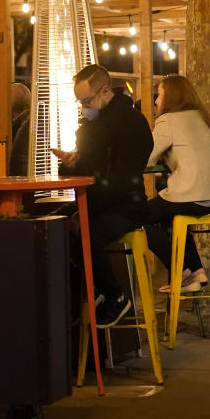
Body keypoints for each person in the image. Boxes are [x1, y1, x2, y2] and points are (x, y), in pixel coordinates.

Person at [53, 64, 153, 328]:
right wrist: (72, 163)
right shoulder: (93, 126)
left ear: (105, 91)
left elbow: (121, 178)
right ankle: (86, 291)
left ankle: (114, 296)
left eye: (86, 100)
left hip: (125, 206)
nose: (83, 107)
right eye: (80, 102)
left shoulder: (130, 124)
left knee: (86, 234)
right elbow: (91, 168)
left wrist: (85, 209)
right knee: (51, 226)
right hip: (99, 201)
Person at [145, 76, 210, 293]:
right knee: (170, 214)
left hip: (194, 195)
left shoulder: (168, 121)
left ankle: (182, 270)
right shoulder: (203, 117)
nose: (156, 101)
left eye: (159, 95)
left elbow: (145, 157)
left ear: (171, 97)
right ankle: (196, 271)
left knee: (135, 216)